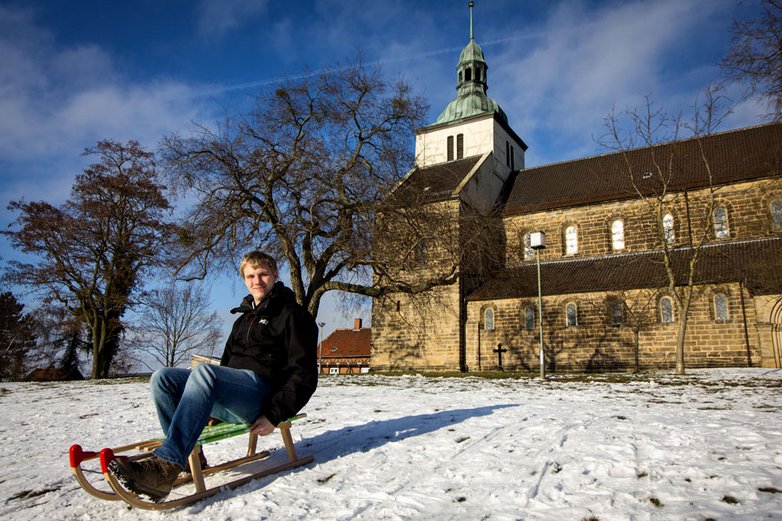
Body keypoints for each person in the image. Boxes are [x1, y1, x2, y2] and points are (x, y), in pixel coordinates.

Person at [109, 251, 318, 502]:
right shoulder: (243, 320)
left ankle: (165, 465)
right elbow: (227, 365)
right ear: (244, 280)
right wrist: (208, 405)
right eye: (250, 276)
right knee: (162, 378)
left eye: (263, 274)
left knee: (204, 372)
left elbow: (304, 374)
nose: (257, 281)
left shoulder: (293, 315)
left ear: (275, 275)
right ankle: (189, 458)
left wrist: (274, 415)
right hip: (236, 393)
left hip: (263, 396)